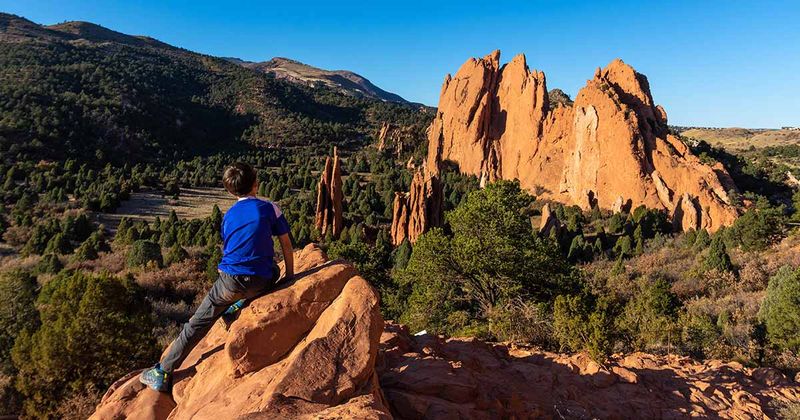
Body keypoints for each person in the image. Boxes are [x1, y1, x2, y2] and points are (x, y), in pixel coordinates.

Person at [140, 162, 294, 392]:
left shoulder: (229, 214)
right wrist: (290, 276)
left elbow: (230, 246)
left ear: (231, 191)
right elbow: (285, 243)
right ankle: (237, 306)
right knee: (275, 270)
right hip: (262, 280)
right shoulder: (270, 208)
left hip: (229, 281)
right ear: (256, 183)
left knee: (198, 323)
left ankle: (162, 371)